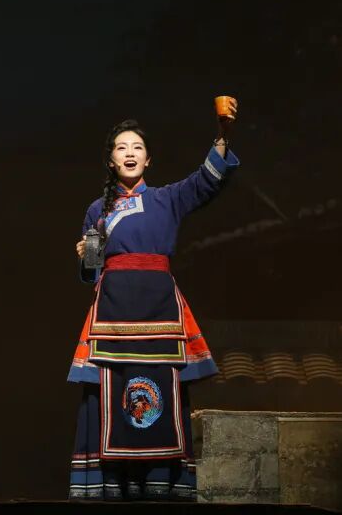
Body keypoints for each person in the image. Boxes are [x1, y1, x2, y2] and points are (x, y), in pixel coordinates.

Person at [68, 103, 239, 501]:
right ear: (111, 161)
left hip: (160, 311)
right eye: (121, 147)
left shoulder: (168, 198)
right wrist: (85, 257)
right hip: (112, 315)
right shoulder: (96, 210)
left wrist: (223, 136)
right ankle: (114, 484)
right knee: (108, 394)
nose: (129, 153)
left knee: (166, 391)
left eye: (137, 147)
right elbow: (91, 273)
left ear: (148, 159)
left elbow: (206, 181)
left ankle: (163, 483)